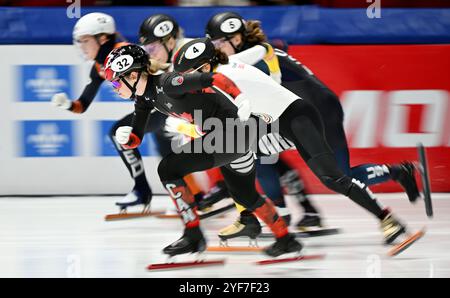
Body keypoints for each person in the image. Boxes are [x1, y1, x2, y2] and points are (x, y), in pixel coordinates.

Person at [173, 37, 409, 245]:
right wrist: (274, 75)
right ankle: (250, 219)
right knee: (235, 155)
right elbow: (265, 49)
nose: (186, 82)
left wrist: (192, 129)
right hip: (275, 123)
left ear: (204, 67)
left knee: (333, 178)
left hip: (298, 119)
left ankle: (387, 219)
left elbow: (232, 122)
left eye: (188, 76)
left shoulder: (226, 80)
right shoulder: (229, 61)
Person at [104, 44, 302, 257]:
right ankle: (286, 238)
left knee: (168, 169)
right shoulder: (143, 99)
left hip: (232, 132)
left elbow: (214, 78)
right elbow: (136, 138)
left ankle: (193, 235)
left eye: (115, 81)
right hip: (224, 135)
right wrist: (127, 138)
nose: (114, 87)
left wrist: (240, 98)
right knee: (245, 195)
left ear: (133, 75)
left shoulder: (167, 83)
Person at [51, 12, 172, 213]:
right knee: (166, 152)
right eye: (79, 41)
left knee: (120, 134)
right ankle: (196, 196)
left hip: (160, 106)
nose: (82, 46)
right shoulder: (100, 65)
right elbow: (83, 104)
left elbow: (156, 71)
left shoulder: (123, 53)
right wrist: (68, 105)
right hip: (154, 107)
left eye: (85, 40)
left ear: (103, 38)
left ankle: (143, 191)